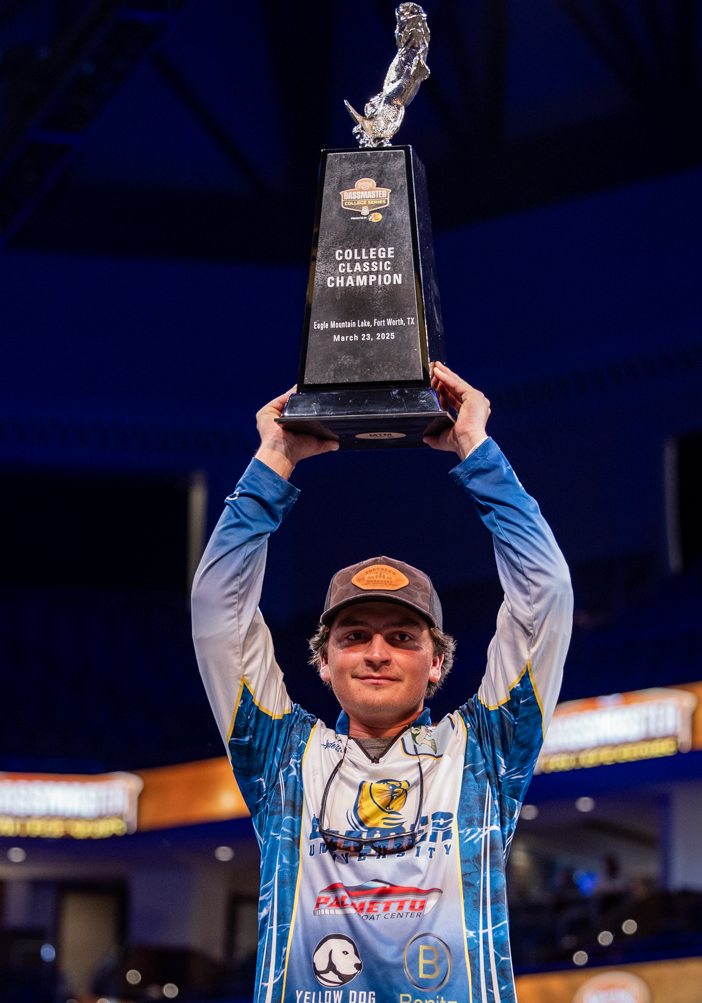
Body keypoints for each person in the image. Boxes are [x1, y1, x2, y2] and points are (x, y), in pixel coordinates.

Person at [192, 363, 573, 1003]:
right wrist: (273, 460)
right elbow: (216, 614)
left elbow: (546, 595)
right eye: (353, 637)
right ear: (323, 662)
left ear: (437, 663)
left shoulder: (485, 752)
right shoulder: (281, 758)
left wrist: (477, 449)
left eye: (402, 637)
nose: (376, 654)